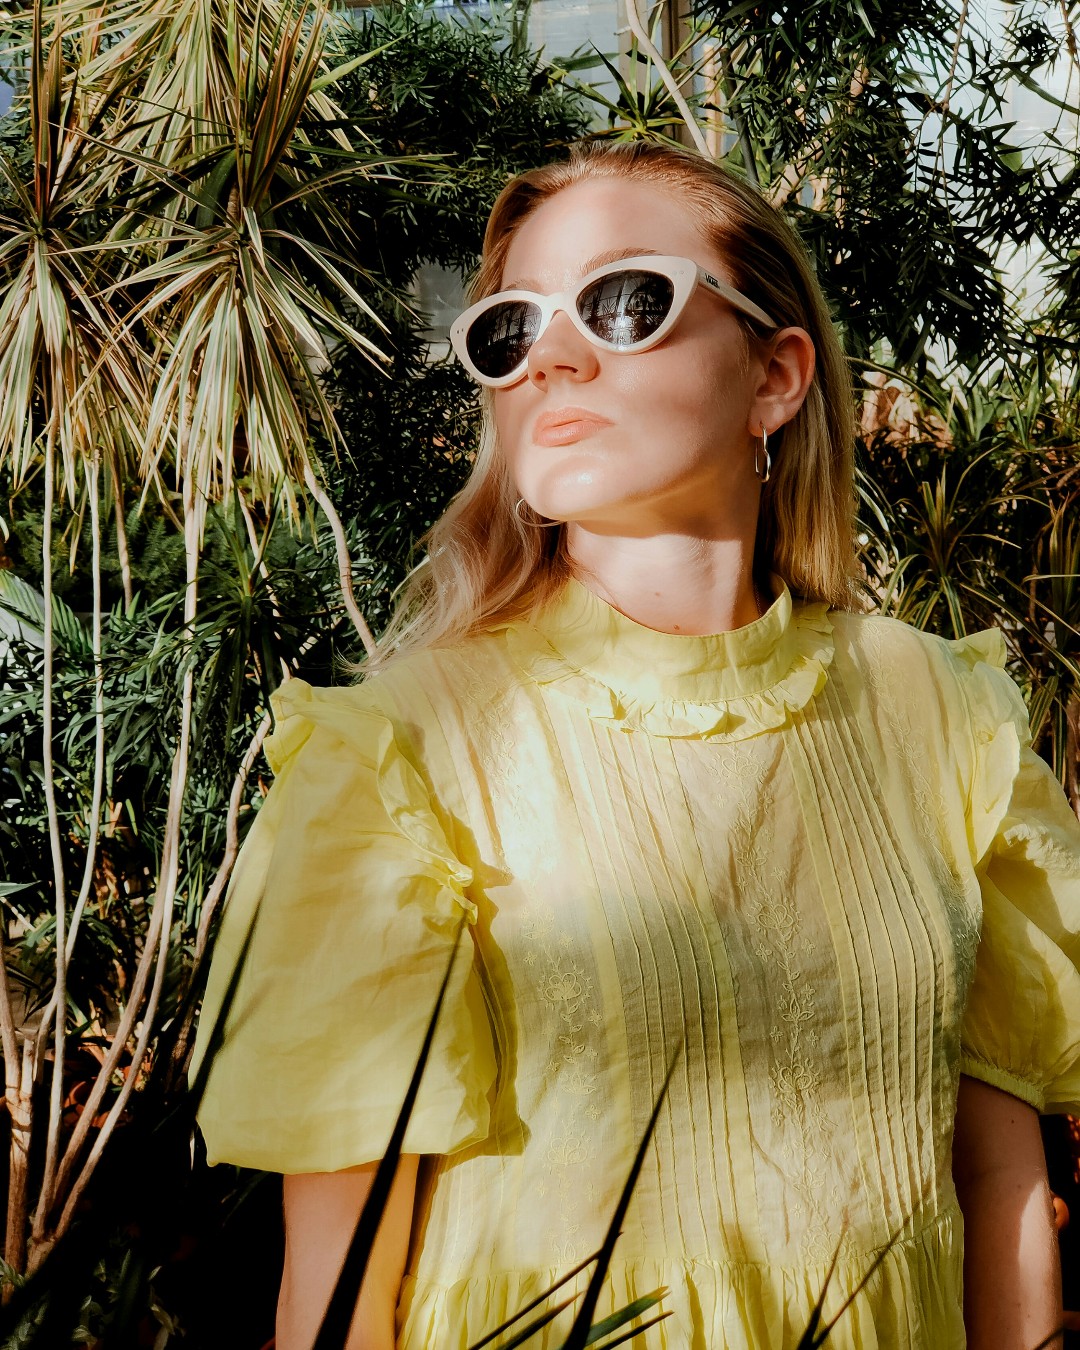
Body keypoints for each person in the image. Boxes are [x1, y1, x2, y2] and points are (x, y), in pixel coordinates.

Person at [193, 140, 1080, 1350]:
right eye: (507, 331)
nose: (551, 355)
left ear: (775, 375)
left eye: (625, 302)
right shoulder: (401, 748)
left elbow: (1001, 1180)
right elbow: (341, 1285)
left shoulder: (947, 716)